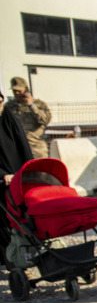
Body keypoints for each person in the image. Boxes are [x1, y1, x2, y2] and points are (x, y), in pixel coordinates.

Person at [0, 88, 32, 260]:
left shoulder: (9, 119)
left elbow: (24, 149)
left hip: (18, 179)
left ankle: (26, 254)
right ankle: (11, 258)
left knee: (22, 215)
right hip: (2, 179)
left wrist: (28, 170)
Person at [2, 77, 52, 160]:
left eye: (19, 91)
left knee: (39, 172)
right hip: (16, 149)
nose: (17, 93)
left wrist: (31, 106)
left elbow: (45, 120)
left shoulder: (39, 104)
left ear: (26, 90)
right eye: (14, 91)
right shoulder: (9, 107)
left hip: (36, 148)